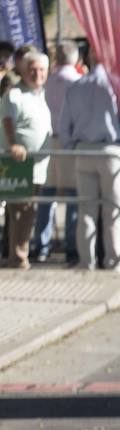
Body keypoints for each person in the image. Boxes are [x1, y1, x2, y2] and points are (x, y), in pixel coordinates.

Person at [59, 54, 120, 270]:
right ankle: (113, 262)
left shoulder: (75, 87)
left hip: (84, 150)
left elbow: (65, 124)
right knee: (113, 211)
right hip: (112, 151)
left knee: (86, 211)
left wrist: (71, 148)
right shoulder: (118, 86)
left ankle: (87, 262)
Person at [2, 50, 52, 269]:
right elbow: (8, 121)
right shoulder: (14, 95)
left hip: (38, 165)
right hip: (19, 163)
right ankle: (17, 256)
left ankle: (20, 253)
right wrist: (14, 143)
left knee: (29, 209)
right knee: (20, 210)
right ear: (23, 70)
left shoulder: (40, 95)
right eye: (32, 69)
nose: (37, 74)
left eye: (42, 70)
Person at [33, 41, 82, 263]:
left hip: (47, 140)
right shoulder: (78, 82)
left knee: (47, 193)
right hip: (67, 141)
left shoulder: (48, 81)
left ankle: (42, 245)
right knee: (72, 194)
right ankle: (71, 245)